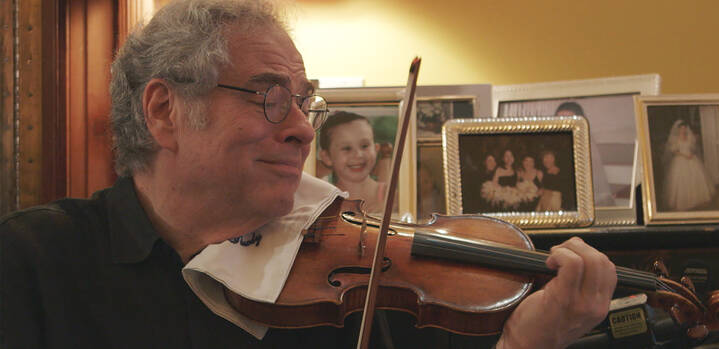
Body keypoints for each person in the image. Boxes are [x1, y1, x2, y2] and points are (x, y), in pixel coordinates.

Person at [0, 1, 616, 348]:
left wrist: (526, 344)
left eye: (304, 100)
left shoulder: (351, 293)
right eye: (270, 97)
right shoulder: (32, 263)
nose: (302, 128)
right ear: (165, 111)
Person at [318, 111, 388, 213]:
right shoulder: (323, 203)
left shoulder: (392, 197)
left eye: (365, 146)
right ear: (327, 157)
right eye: (347, 148)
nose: (358, 155)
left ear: (376, 148)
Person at [555, 102, 616, 207]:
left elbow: (593, 186)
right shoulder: (552, 144)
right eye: (560, 120)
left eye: (569, 120)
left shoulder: (587, 147)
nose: (564, 125)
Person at [662, 119, 715, 211]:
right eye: (681, 129)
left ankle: (697, 199)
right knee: (682, 181)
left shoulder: (689, 137)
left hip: (691, 158)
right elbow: (674, 151)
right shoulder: (675, 139)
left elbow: (693, 148)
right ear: (678, 129)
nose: (683, 130)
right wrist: (684, 155)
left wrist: (691, 154)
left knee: (695, 179)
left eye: (684, 128)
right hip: (680, 160)